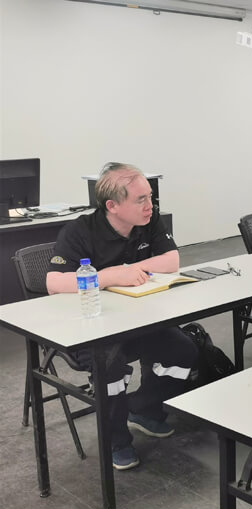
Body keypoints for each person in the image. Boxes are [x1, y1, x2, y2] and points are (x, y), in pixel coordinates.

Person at [46, 162, 198, 471]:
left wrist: (131, 271)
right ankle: (117, 440)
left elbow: (171, 260)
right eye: (141, 199)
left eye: (150, 196)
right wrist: (109, 276)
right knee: (110, 367)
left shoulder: (149, 220)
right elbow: (54, 283)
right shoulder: (80, 230)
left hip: (138, 322)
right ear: (112, 206)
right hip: (91, 328)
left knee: (184, 352)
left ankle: (143, 409)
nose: (150, 205)